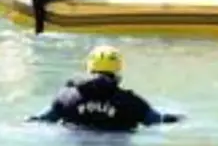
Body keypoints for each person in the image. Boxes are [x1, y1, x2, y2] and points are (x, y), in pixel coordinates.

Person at [26, 45, 185, 132]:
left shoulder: (67, 96)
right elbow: (157, 121)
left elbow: (41, 120)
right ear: (117, 70)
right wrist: (180, 118)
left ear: (89, 68)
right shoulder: (132, 102)